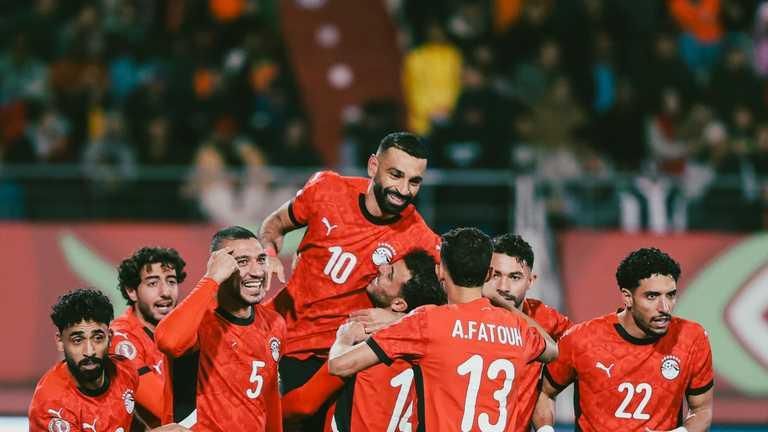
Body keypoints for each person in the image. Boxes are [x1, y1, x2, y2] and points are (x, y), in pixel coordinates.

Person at [259, 132, 440, 395]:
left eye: (414, 181)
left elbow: (460, 298)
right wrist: (269, 254)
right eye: (395, 175)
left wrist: (399, 318)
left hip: (330, 359)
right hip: (275, 334)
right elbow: (274, 225)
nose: (403, 190)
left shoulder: (418, 235)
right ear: (373, 166)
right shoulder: (327, 190)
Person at [328, 227, 558, 431]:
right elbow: (551, 349)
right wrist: (500, 301)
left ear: (440, 271)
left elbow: (339, 365)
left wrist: (344, 338)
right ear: (488, 275)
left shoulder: (427, 322)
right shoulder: (515, 328)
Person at [536, 247, 714, 432]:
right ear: (628, 297)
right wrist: (544, 430)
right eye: (652, 296)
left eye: (670, 295)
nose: (664, 307)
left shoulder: (691, 338)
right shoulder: (582, 339)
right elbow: (544, 393)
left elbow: (701, 410)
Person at [281, 249, 446, 431]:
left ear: (399, 304)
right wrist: (402, 319)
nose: (381, 268)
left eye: (389, 275)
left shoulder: (362, 341)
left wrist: (265, 414)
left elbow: (304, 404)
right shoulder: (437, 346)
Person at [155, 226, 286, 431]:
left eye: (261, 260)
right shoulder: (200, 321)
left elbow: (270, 400)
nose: (258, 272)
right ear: (221, 266)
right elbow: (168, 341)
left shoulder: (274, 324)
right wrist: (211, 279)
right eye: (243, 261)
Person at [28, 288, 189, 432]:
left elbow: (129, 422)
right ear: (60, 341)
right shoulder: (51, 404)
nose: (89, 351)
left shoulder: (125, 371)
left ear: (110, 337)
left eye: (98, 338)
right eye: (77, 340)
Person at [481, 234, 572, 432]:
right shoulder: (465, 316)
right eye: (496, 275)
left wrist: (547, 391)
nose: (503, 287)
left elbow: (588, 351)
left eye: (515, 277)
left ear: (531, 281)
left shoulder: (547, 319)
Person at [110, 247, 197, 427]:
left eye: (171, 281)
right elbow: (164, 408)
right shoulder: (120, 339)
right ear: (131, 291)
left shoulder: (186, 329)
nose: (165, 292)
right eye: (152, 283)